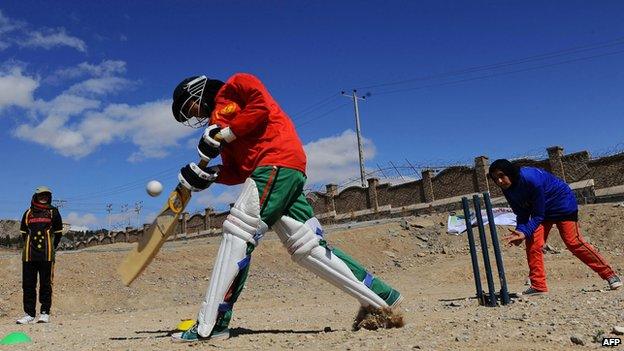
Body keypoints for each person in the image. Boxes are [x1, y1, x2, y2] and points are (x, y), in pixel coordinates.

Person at [169, 73, 403, 341]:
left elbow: (261, 108)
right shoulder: (215, 124)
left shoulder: (237, 84)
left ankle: (211, 324)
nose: (194, 115)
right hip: (279, 171)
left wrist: (226, 134)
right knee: (307, 248)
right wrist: (210, 175)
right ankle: (382, 296)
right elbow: (239, 169)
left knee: (237, 233)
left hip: (276, 162)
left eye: (190, 108)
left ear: (198, 91)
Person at [489, 159, 621, 295]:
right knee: (534, 243)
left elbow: (538, 216)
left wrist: (525, 231)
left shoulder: (531, 179)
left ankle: (610, 275)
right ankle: (538, 286)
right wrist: (521, 231)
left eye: (501, 176)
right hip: (541, 209)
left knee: (573, 241)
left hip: (562, 204)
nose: (499, 181)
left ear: (510, 172)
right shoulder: (507, 189)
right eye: (495, 178)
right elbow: (521, 212)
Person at [16, 186, 63, 324]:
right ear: (35, 196)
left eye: (46, 195)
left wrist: (51, 248)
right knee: (28, 285)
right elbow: (24, 234)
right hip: (29, 255)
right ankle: (29, 314)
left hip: (46, 255)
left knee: (45, 284)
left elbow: (58, 233)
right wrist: (30, 246)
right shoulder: (28, 213)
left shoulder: (53, 212)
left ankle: (44, 312)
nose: (44, 197)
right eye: (41, 195)